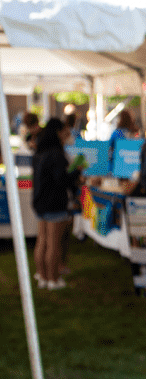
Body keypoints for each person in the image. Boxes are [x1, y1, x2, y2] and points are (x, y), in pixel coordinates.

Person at [31, 118, 80, 290]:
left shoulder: (40, 153)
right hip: (54, 203)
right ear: (58, 132)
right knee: (53, 243)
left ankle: (42, 276)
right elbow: (61, 179)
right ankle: (53, 279)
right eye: (65, 132)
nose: (67, 135)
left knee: (42, 241)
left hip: (40, 202)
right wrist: (75, 172)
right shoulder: (56, 154)